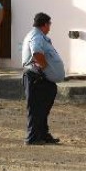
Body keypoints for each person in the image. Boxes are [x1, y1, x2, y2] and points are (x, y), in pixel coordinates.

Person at [22, 12, 65, 145]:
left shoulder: (39, 36)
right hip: (37, 77)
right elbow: (36, 53)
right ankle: (33, 137)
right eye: (49, 24)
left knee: (43, 107)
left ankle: (43, 134)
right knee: (36, 108)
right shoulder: (37, 36)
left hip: (41, 78)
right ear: (45, 24)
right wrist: (45, 67)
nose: (50, 27)